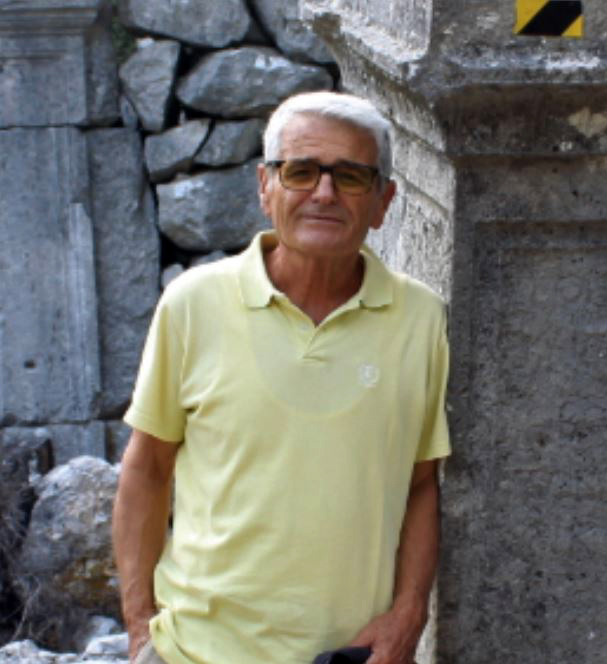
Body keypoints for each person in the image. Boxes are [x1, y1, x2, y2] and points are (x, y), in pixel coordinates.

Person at [112, 90, 451, 664]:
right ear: (265, 186)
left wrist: (408, 614)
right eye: (301, 171)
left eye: (350, 176)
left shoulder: (421, 319)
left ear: (384, 202)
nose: (324, 193)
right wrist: (139, 625)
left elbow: (421, 484)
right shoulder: (193, 304)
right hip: (194, 652)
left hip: (350, 655)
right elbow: (147, 468)